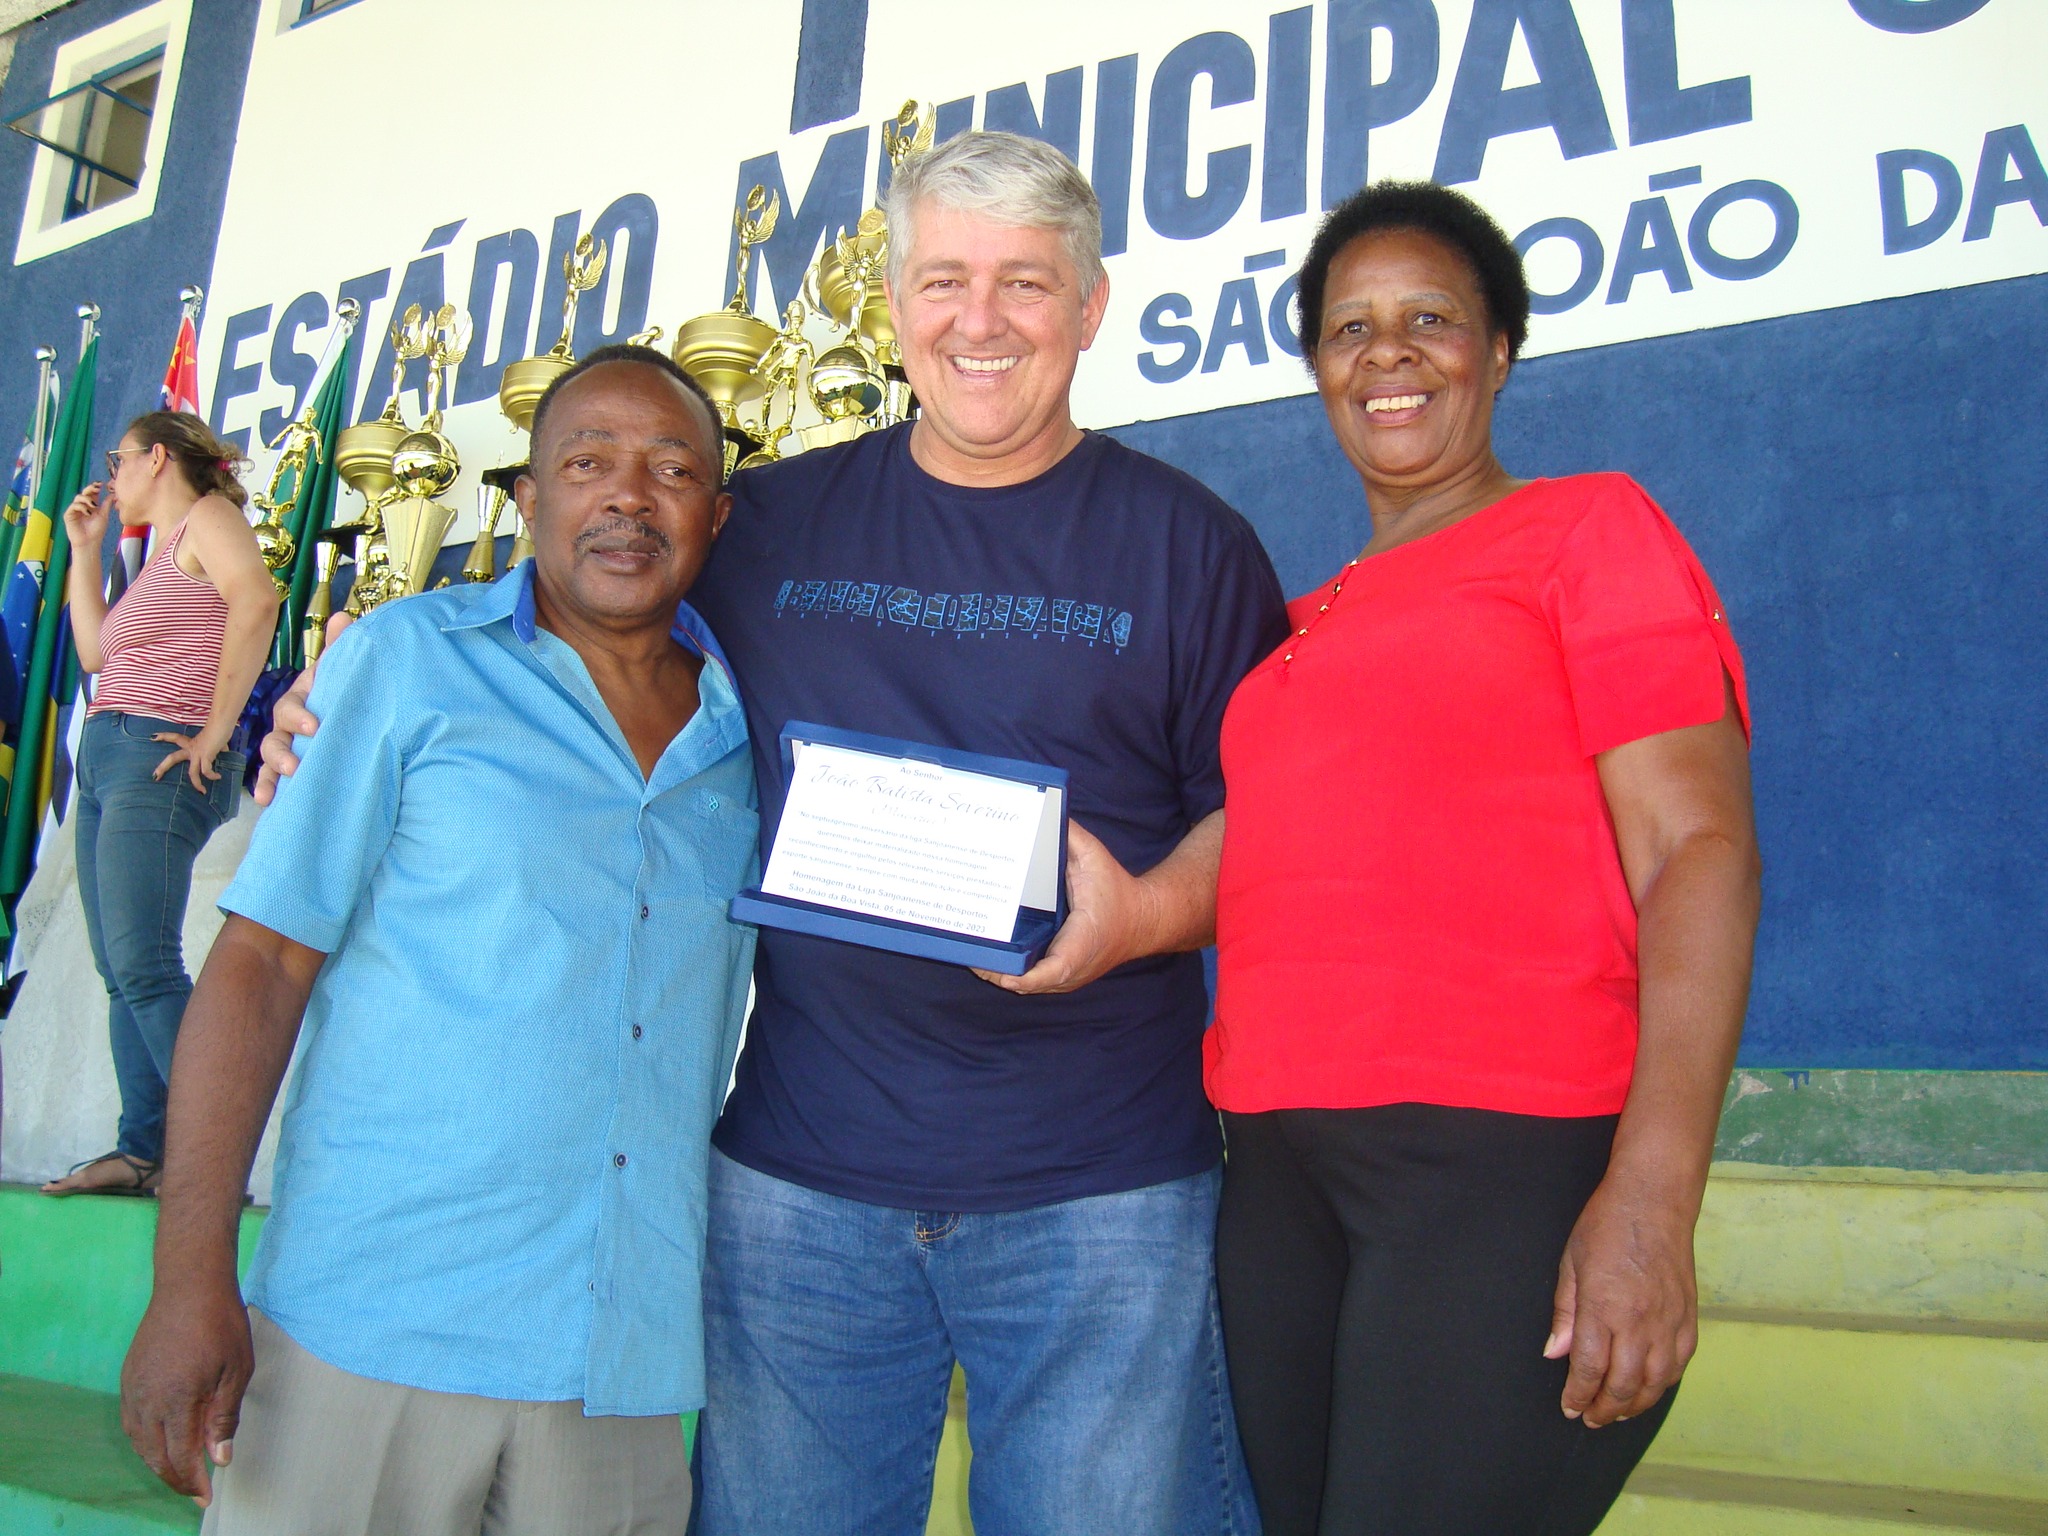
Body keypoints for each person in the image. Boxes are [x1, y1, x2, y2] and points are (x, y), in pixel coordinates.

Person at [264, 133, 1284, 1536]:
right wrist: (335, 692)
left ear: (1091, 308)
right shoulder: (770, 528)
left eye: (1025, 285)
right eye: (943, 279)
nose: (978, 322)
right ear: (896, 304)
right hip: (800, 1192)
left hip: (1096, 1195)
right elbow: (580, 613)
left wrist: (1150, 917)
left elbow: (1276, 829)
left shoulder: (1197, 548)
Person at [121, 347, 756, 1536]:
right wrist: (188, 1275)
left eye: (669, 470)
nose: (627, 496)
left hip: (612, 1360)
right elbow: (260, 966)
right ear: (526, 499)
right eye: (586, 463)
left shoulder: (749, 728)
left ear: (714, 517)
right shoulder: (405, 665)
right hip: (371, 1329)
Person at [1206, 179, 1762, 1535]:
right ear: (1318, 369)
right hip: (1275, 1183)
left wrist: (1651, 1197)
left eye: (1430, 320)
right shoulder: (1291, 626)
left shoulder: (1585, 533)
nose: (1386, 352)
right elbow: (1230, 874)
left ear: (1498, 351)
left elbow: (1699, 851)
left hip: (1498, 1177)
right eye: (1349, 329)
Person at [41, 413, 277, 1197]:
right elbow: (95, 652)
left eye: (120, 459)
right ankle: (144, 1150)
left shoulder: (210, 517)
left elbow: (259, 600)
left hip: (159, 753)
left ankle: (210, 1162)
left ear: (158, 457)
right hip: (110, 752)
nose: (112, 474)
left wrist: (217, 726)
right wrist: (84, 550)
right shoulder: (159, 554)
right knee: (120, 966)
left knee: (144, 960)